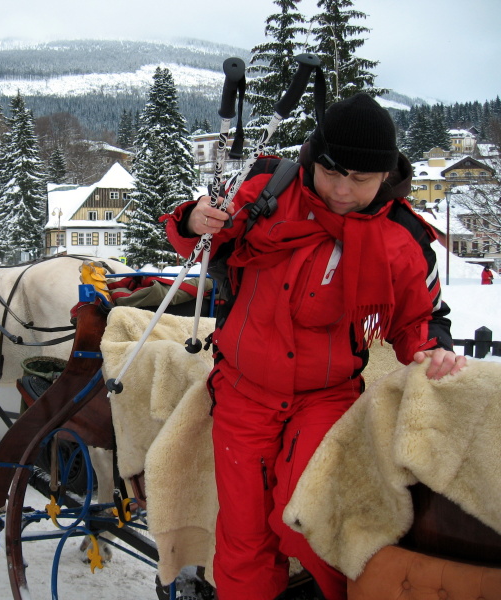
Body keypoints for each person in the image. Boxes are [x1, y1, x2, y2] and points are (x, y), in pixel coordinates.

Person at [162, 93, 468, 600]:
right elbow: (202, 235)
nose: (343, 191)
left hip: (326, 398)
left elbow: (422, 317)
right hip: (242, 392)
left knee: (311, 519)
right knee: (244, 539)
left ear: (385, 176)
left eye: (361, 180)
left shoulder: (402, 236)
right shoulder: (266, 187)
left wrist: (432, 349)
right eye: (332, 173)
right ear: (312, 158)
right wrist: (194, 220)